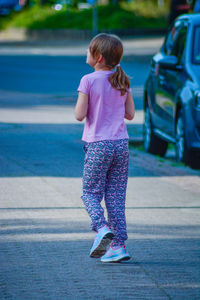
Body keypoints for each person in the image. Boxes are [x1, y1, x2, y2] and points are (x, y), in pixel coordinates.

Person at [75, 33, 135, 263]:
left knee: (90, 193)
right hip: (121, 145)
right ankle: (119, 246)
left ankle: (101, 228)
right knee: (116, 198)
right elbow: (129, 114)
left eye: (88, 50)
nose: (86, 53)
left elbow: (79, 115)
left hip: (98, 145)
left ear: (98, 57)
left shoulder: (88, 80)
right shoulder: (123, 80)